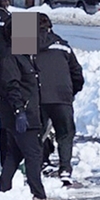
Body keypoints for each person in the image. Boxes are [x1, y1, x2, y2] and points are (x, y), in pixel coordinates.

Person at [0, 16, 49, 200]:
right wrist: (19, 111)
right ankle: (39, 195)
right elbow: (12, 85)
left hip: (27, 113)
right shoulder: (11, 56)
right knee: (34, 155)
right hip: (22, 115)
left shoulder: (25, 55)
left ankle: (4, 189)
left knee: (15, 153)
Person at [33, 13, 84, 186]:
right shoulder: (63, 45)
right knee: (65, 133)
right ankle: (65, 169)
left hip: (38, 96)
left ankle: (42, 162)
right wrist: (71, 92)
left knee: (38, 132)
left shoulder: (25, 43)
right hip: (63, 96)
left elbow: (17, 66)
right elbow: (77, 73)